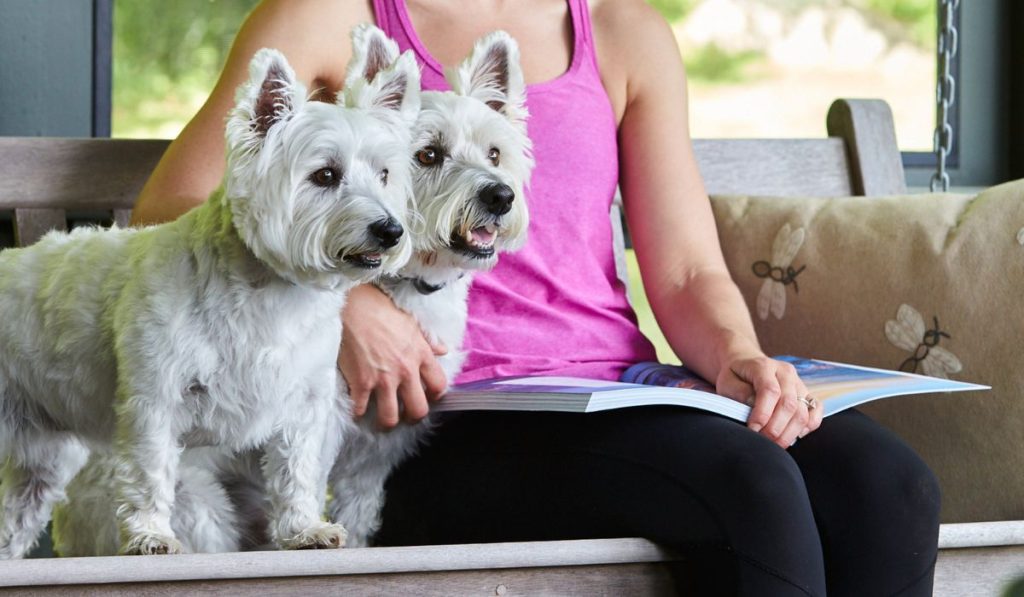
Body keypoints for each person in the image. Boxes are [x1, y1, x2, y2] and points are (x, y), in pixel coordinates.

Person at [131, 1, 941, 594]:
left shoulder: (625, 33)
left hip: (616, 397)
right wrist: (348, 309)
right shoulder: (328, 16)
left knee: (890, 481)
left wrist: (739, 359)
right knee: (752, 485)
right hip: (432, 419)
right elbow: (167, 212)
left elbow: (689, 270)